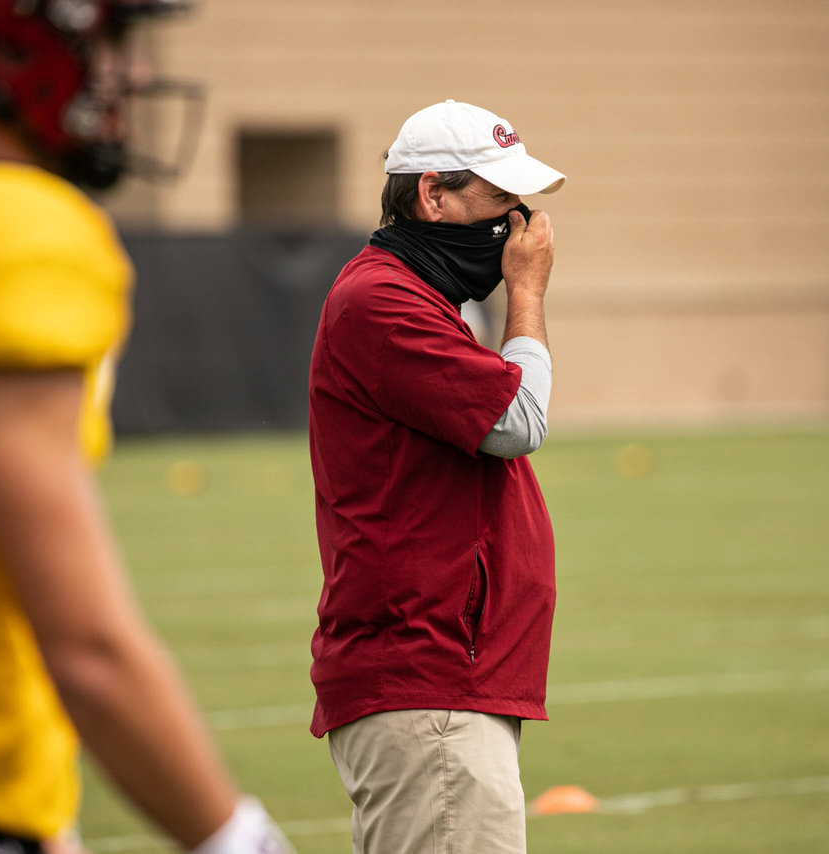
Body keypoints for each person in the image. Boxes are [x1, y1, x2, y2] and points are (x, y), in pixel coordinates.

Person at [0, 2, 292, 853]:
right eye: (113, 39)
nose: (138, 74)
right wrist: (238, 841)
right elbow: (87, 649)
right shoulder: (3, 229)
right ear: (8, 44)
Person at [307, 100, 566, 854]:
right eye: (500, 202)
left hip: (444, 684)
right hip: (428, 682)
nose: (518, 224)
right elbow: (518, 421)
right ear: (433, 195)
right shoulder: (383, 300)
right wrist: (526, 294)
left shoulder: (420, 297)